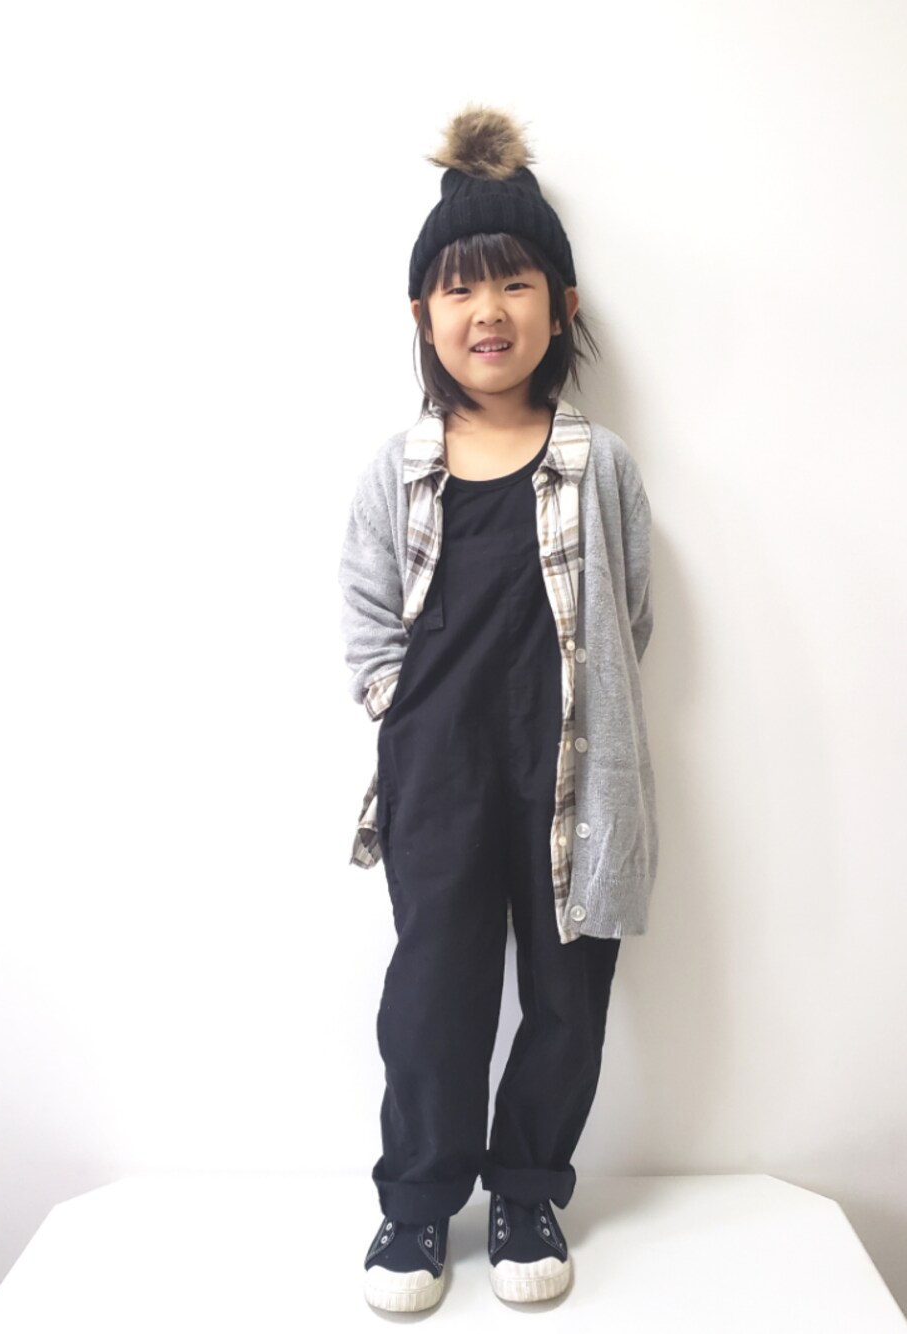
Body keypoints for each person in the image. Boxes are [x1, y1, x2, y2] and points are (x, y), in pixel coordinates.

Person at [338, 103, 659, 1313]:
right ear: (422, 315)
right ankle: (417, 1205)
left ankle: (526, 1186)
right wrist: (405, 715)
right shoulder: (398, 468)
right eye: (460, 287)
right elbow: (367, 615)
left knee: (568, 994)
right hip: (439, 777)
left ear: (559, 306)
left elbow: (629, 612)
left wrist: (577, 715)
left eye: (515, 282)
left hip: (574, 774)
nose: (489, 309)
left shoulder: (600, 463)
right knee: (434, 995)